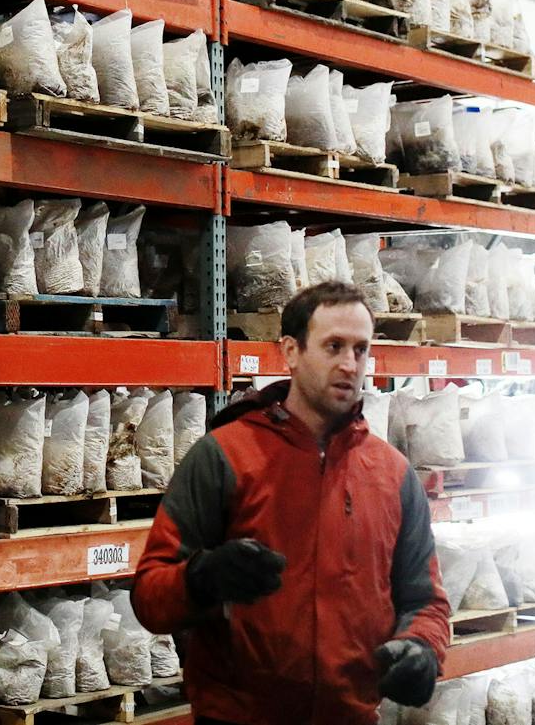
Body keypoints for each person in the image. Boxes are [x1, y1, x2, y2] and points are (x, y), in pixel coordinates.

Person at [131, 281, 450, 725]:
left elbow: (426, 601)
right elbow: (149, 596)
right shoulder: (225, 456)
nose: (349, 364)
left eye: (361, 349)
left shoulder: (393, 474)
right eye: (333, 346)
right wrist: (202, 578)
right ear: (291, 352)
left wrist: (422, 649)